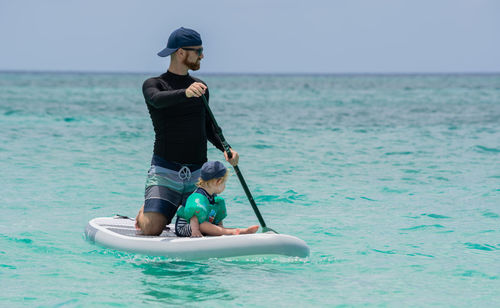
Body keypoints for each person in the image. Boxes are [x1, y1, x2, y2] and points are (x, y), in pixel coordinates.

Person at [135, 27, 239, 235]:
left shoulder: (200, 86)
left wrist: (226, 148)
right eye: (198, 51)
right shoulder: (154, 84)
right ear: (181, 52)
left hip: (198, 175)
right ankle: (147, 211)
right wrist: (185, 93)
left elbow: (208, 126)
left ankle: (176, 209)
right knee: (151, 229)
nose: (202, 55)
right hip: (165, 171)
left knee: (205, 229)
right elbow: (157, 100)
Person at [175, 161, 259, 237]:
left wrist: (220, 227)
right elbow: (194, 216)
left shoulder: (213, 196)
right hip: (187, 226)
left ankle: (241, 231)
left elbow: (216, 215)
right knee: (202, 225)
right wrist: (195, 231)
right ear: (218, 181)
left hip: (201, 224)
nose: (224, 186)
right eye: (224, 183)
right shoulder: (198, 196)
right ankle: (230, 232)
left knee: (210, 225)